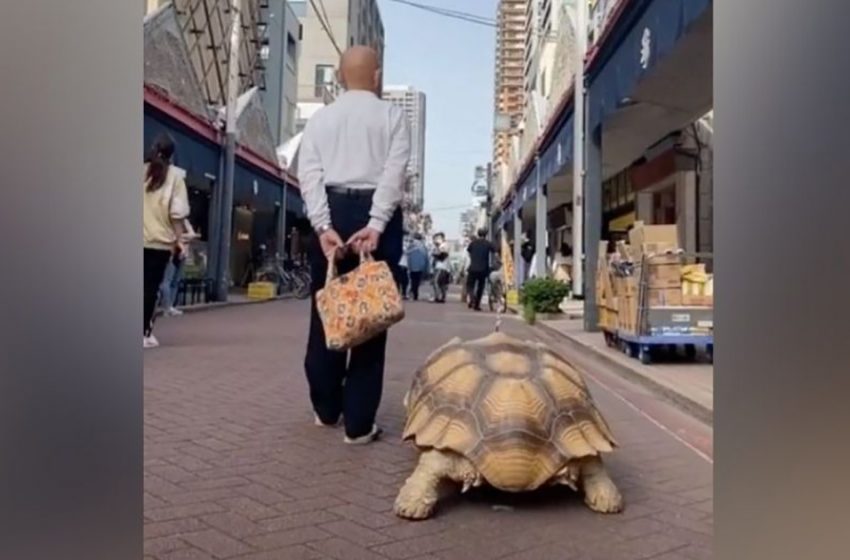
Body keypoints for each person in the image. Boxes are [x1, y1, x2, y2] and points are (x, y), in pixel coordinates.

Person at [297, 45, 411, 445]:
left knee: (326, 310)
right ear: (376, 76)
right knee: (371, 317)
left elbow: (308, 174)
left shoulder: (321, 119)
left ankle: (327, 409)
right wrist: (376, 224)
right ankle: (359, 424)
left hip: (331, 208)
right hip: (375, 214)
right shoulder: (393, 116)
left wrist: (322, 225)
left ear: (340, 77)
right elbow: (394, 174)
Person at [143, 133, 190, 348]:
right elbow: (177, 214)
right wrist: (181, 241)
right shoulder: (175, 178)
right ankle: (144, 332)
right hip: (160, 244)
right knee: (151, 287)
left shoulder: (141, 171)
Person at [158, 219, 198, 316]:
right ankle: (166, 307)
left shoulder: (185, 221)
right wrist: (182, 238)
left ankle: (171, 306)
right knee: (167, 281)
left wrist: (179, 237)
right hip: (171, 254)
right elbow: (167, 235)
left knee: (175, 281)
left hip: (182, 254)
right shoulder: (168, 220)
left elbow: (192, 234)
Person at [466, 228, 496, 311]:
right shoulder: (488, 244)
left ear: (478, 234)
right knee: (480, 287)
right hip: (483, 269)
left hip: (473, 268)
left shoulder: (473, 243)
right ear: (485, 235)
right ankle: (477, 305)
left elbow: (469, 252)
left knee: (469, 285)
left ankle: (472, 298)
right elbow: (495, 252)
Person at [406, 234, 429, 301]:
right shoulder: (423, 247)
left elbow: (408, 256)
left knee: (413, 281)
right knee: (417, 281)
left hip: (412, 266)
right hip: (420, 267)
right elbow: (426, 258)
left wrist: (409, 265)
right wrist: (426, 268)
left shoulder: (411, 245)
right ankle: (415, 294)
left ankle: (413, 294)